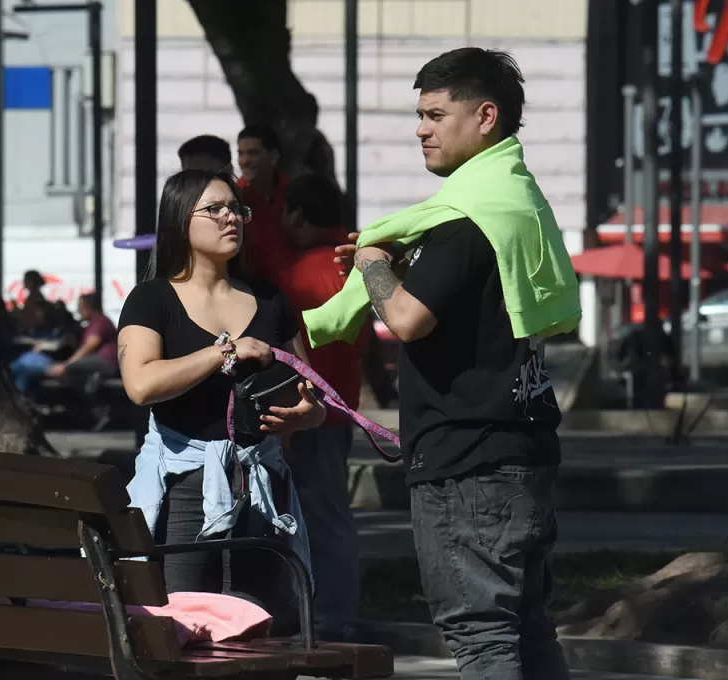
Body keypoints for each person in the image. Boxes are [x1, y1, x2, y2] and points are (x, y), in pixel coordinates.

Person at [305, 48, 580, 680]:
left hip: (468, 462)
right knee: (528, 630)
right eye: (419, 115)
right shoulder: (517, 203)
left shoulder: (462, 223)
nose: (421, 129)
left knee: (482, 636)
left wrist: (373, 259)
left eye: (434, 114)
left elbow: (404, 319)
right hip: (520, 450)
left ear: (485, 117)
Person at [118, 169, 326, 634]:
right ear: (179, 219)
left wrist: (307, 416)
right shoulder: (151, 299)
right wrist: (223, 351)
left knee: (262, 628)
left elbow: (312, 393)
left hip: (261, 486)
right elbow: (140, 384)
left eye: (236, 208)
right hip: (185, 485)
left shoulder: (270, 299)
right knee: (183, 627)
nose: (231, 217)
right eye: (215, 209)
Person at [271, 172, 367, 642]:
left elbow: (286, 355)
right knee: (328, 514)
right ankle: (328, 612)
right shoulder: (353, 266)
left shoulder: (296, 276)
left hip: (303, 412)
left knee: (316, 517)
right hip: (342, 404)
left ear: (298, 215)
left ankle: (326, 617)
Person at [236, 124, 289, 281]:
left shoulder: (294, 193)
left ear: (273, 157)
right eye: (240, 153)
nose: (244, 161)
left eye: (253, 153)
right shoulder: (234, 198)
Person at [46, 292, 119, 386]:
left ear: (88, 307)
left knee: (71, 368)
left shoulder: (101, 322)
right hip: (97, 361)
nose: (78, 310)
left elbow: (89, 347)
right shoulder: (90, 325)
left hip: (107, 362)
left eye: (80, 307)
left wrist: (65, 366)